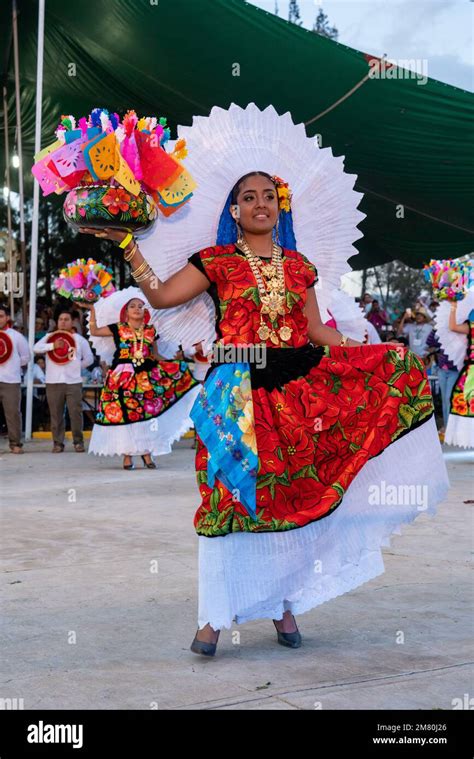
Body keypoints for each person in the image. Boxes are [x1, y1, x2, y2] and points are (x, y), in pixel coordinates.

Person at [80, 170, 448, 657]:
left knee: (290, 495)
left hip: (297, 395)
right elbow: (162, 297)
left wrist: (370, 349)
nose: (259, 204)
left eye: (268, 197)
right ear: (234, 211)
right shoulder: (216, 261)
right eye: (248, 198)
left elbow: (317, 330)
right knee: (226, 498)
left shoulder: (300, 267)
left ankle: (284, 605)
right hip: (234, 390)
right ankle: (212, 617)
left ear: (280, 207)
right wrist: (129, 244)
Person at [83, 296, 200, 470]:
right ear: (126, 312)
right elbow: (94, 331)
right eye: (132, 306)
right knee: (126, 414)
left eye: (140, 306)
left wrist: (173, 366)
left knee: (146, 414)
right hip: (122, 376)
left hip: (145, 376)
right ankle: (127, 455)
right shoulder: (118, 328)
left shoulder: (151, 330)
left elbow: (155, 355)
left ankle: (147, 453)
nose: (137, 309)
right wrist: (92, 310)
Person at [33, 308, 94, 452]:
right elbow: (36, 348)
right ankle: (58, 443)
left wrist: (76, 365)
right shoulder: (49, 336)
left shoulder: (79, 340)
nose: (63, 322)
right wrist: (52, 346)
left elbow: (89, 359)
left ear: (72, 322)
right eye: (61, 319)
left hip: (73, 381)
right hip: (53, 381)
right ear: (57, 322)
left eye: (66, 319)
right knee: (56, 414)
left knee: (75, 413)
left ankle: (78, 442)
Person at [0, 305, 31, 453]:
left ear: (7, 318)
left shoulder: (16, 336)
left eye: (1, 316)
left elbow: (26, 357)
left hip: (11, 380)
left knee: (12, 413)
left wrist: (12, 364)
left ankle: (15, 443)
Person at [444, 299, 474, 448]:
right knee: (467, 404)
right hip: (471, 373)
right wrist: (454, 307)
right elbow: (452, 326)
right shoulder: (472, 326)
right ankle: (469, 440)